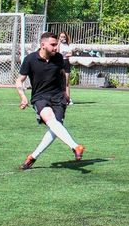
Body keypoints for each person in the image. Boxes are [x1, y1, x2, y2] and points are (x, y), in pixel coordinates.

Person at [16, 31, 84, 171]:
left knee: (55, 127)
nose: (55, 47)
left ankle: (33, 157)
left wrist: (65, 92)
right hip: (40, 97)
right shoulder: (30, 59)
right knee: (51, 120)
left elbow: (62, 76)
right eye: (53, 44)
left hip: (58, 97)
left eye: (56, 44)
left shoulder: (58, 58)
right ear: (43, 45)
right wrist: (23, 96)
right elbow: (19, 80)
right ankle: (75, 146)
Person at [57, 31, 74, 105]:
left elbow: (70, 53)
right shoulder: (58, 44)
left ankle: (68, 99)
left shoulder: (68, 45)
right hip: (59, 62)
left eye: (64, 37)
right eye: (61, 37)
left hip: (66, 62)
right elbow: (57, 52)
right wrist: (59, 43)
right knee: (58, 81)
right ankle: (59, 98)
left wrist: (65, 54)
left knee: (66, 82)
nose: (63, 38)